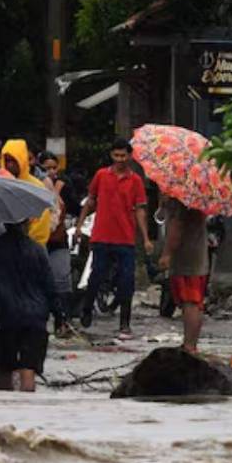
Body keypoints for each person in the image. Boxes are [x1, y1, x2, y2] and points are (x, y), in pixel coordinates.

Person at [75, 139, 153, 338]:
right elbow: (91, 200)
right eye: (116, 155)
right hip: (101, 235)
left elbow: (141, 210)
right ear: (111, 155)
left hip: (125, 238)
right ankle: (86, 308)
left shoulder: (135, 180)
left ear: (129, 156)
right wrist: (79, 225)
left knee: (127, 281)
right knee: (96, 276)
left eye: (123, 155)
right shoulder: (101, 175)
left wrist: (145, 238)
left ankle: (124, 322)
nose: (120, 159)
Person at [0, 220, 61, 392]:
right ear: (26, 224)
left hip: (3, 316)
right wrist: (60, 315)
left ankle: (4, 410)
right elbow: (49, 285)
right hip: (35, 316)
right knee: (28, 368)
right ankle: (27, 409)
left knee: (3, 368)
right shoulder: (37, 249)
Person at [159, 197, 209, 353]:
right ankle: (191, 344)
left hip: (185, 258)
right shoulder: (198, 199)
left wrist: (166, 253)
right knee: (195, 303)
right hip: (199, 256)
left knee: (190, 302)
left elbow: (176, 227)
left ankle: (189, 345)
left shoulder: (180, 200)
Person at [40, 154, 72, 331]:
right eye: (46, 168)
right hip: (40, 242)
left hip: (58, 241)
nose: (51, 172)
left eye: (54, 168)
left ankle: (63, 321)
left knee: (62, 281)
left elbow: (73, 206)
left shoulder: (64, 186)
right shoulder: (34, 186)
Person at [0, 139, 53, 246]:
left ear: (22, 160)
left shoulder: (36, 187)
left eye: (14, 161)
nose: (10, 165)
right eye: (7, 160)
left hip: (31, 249)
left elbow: (40, 224)